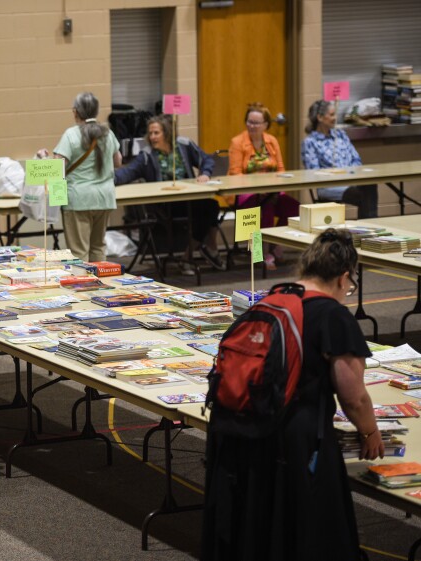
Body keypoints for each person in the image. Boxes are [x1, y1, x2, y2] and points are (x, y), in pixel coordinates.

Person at [201, 228, 384, 561]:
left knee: (259, 528)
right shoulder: (334, 315)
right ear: (344, 278)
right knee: (306, 531)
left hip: (245, 429)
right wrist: (370, 431)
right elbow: (353, 395)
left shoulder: (273, 299)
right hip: (294, 441)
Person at [114, 114, 225, 274]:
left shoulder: (184, 145)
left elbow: (206, 159)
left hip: (189, 198)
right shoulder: (146, 155)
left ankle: (196, 253)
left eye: (156, 133)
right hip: (165, 205)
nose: (152, 137)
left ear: (167, 133)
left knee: (211, 205)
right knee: (207, 209)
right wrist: (106, 179)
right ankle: (206, 250)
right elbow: (126, 173)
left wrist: (205, 173)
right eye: (150, 133)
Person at [228, 102, 300, 269]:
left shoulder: (272, 141)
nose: (251, 126)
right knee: (265, 207)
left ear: (266, 125)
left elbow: (281, 169)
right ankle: (260, 252)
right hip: (245, 193)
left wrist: (276, 188)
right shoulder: (237, 142)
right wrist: (258, 188)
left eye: (256, 123)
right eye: (249, 122)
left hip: (272, 190)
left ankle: (276, 247)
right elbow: (235, 173)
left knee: (295, 208)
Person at [52, 92, 122, 262]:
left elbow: (57, 167)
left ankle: (82, 286)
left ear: (75, 112)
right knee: (98, 247)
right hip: (104, 197)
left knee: (79, 251)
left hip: (78, 199)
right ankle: (101, 286)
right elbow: (118, 161)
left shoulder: (71, 135)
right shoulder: (108, 133)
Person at [302, 99, 378, 219]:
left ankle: (371, 227)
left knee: (369, 185)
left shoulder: (341, 135)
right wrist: (335, 175)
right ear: (320, 117)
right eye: (331, 114)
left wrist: (350, 174)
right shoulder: (310, 142)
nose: (335, 117)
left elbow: (356, 159)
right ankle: (367, 228)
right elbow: (313, 173)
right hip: (329, 186)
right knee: (364, 194)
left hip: (351, 181)